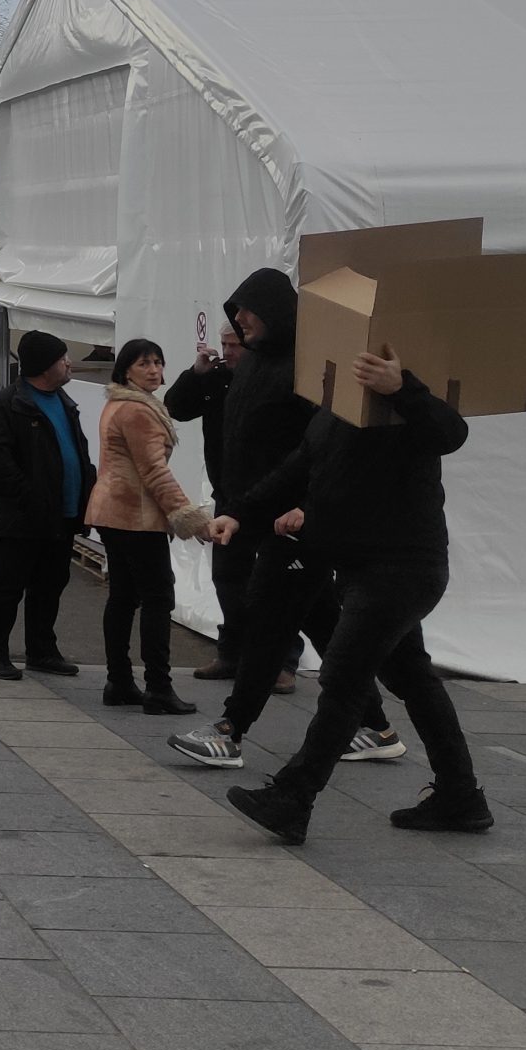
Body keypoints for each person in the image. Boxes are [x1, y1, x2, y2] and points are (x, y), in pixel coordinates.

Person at [214, 346, 491, 845]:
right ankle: (461, 797)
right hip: (364, 566)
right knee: (413, 677)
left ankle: (292, 798)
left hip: (404, 568)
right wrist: (241, 511)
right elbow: (298, 468)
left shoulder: (401, 408)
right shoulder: (335, 412)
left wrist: (402, 388)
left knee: (343, 675)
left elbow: (451, 433)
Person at [168, 271, 402, 772]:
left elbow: (316, 452)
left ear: (274, 313)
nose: (240, 321)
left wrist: (307, 508)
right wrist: (237, 510)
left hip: (291, 522)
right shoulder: (252, 365)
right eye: (234, 316)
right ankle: (377, 726)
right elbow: (201, 416)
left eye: (246, 313)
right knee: (322, 620)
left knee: (269, 623)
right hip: (256, 512)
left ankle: (231, 731)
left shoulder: (304, 370)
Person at [88, 338, 214, 714]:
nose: (155, 370)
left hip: (113, 511)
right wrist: (191, 518)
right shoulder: (138, 412)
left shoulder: (120, 403)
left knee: (124, 597)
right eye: (145, 363)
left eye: (159, 362)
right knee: (158, 598)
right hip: (134, 516)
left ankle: (120, 681)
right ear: (127, 369)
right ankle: (158, 686)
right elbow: (154, 472)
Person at [0, 330, 95, 680]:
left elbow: (77, 453)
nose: (69, 362)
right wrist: (29, 498)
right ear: (43, 365)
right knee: (7, 585)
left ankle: (42, 650)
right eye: (62, 358)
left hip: (63, 515)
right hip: (23, 518)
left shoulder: (64, 401)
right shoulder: (8, 404)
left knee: (51, 584)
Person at [166, 319, 246, 677]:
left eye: (235, 345)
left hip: (267, 493)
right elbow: (176, 407)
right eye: (224, 344)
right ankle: (231, 653)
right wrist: (195, 374)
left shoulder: (272, 377)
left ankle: (281, 660)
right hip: (227, 491)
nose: (228, 352)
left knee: (269, 581)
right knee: (227, 576)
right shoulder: (216, 377)